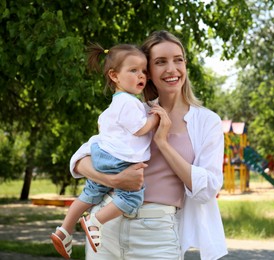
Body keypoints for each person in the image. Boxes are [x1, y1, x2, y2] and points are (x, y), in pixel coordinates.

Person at [69, 30, 228, 259]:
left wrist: (162, 143)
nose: (171, 69)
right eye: (160, 62)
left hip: (157, 233)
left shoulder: (206, 122)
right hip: (106, 226)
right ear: (148, 72)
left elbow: (208, 188)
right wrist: (113, 180)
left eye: (178, 60)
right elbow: (81, 159)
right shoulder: (134, 112)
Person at [51, 43, 162, 259]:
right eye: (133, 70)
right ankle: (95, 221)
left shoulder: (115, 104)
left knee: (90, 193)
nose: (141, 76)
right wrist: (156, 117)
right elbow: (140, 129)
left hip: (102, 156)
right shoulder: (129, 103)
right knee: (131, 198)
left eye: (144, 71)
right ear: (114, 76)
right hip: (118, 161)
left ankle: (64, 230)